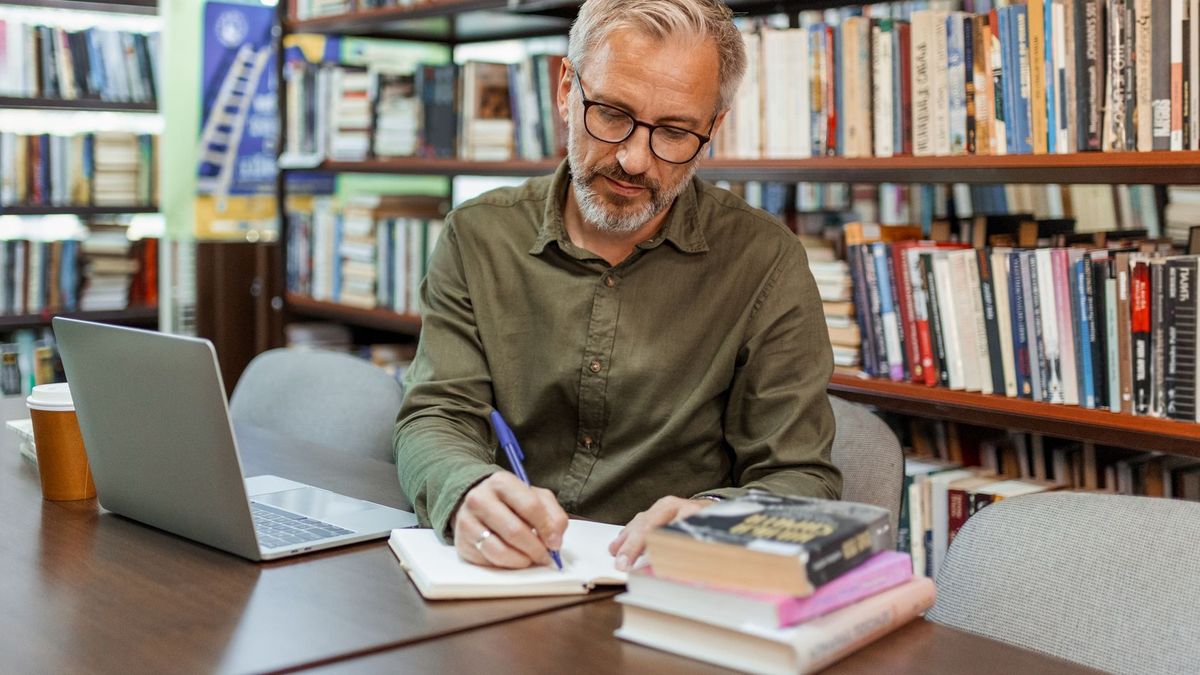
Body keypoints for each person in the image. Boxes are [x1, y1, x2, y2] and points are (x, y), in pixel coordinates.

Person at [394, 0, 841, 571]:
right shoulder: (477, 235)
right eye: (611, 114)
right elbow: (436, 414)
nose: (633, 160)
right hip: (505, 574)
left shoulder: (765, 262)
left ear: (714, 129)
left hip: (666, 589)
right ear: (565, 89)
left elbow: (801, 476)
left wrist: (714, 519)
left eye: (676, 132)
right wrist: (465, 489)